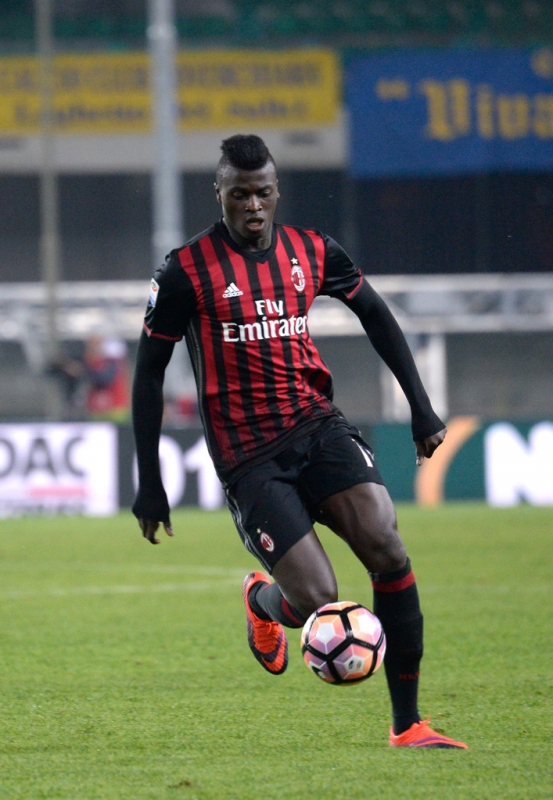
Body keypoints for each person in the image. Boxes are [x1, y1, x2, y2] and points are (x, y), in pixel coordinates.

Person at [132, 134, 467, 749]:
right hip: (249, 458)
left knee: (386, 544)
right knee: (318, 597)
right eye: (239, 194)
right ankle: (263, 602)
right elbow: (148, 373)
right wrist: (149, 482)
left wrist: (421, 408)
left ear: (277, 190)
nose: (253, 206)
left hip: (317, 425)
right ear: (219, 193)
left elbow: (375, 313)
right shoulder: (186, 271)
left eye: (262, 192)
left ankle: (408, 724)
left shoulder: (311, 250)